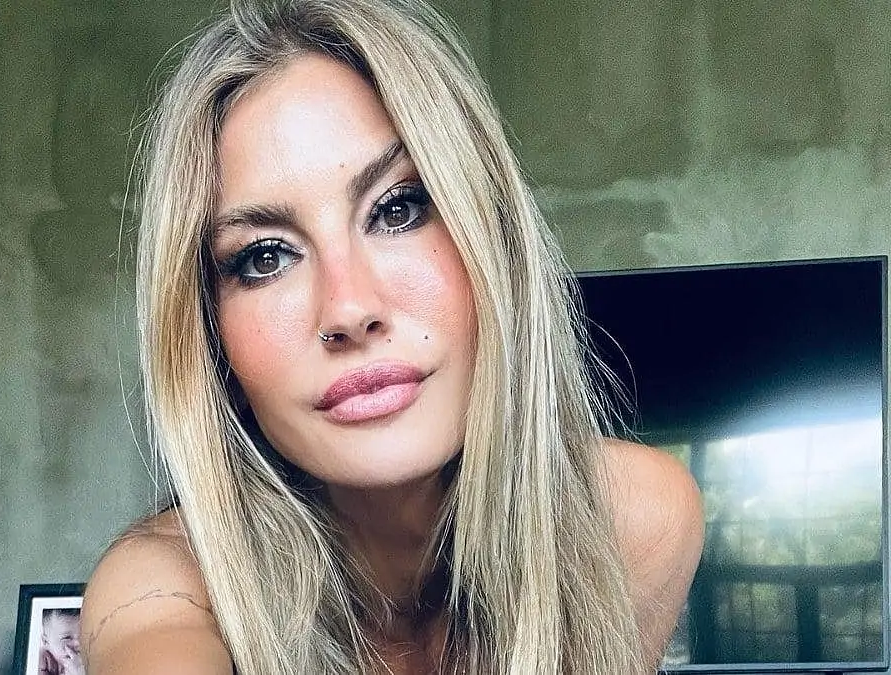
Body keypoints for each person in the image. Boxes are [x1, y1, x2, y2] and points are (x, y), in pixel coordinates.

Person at [82, 0, 704, 673]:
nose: (349, 309)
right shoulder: (160, 588)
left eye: (398, 209)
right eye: (265, 257)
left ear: (493, 236)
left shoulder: (631, 522)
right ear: (211, 336)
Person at [38, 608, 85, 675]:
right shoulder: (40, 665)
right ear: (46, 641)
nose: (78, 643)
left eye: (84, 635)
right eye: (66, 638)